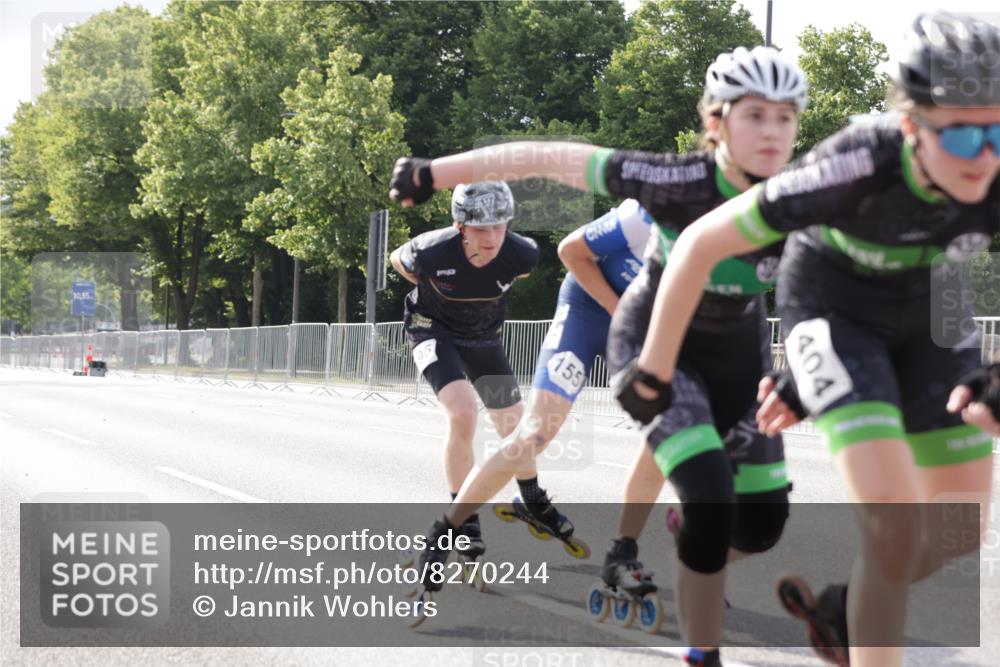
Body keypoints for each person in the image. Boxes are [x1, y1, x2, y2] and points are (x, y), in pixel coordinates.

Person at [390, 46, 808, 664]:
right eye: (754, 116)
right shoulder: (658, 200)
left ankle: (632, 547)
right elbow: (570, 242)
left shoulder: (799, 199)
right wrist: (436, 173)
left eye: (785, 118)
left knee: (726, 488)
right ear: (716, 124)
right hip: (597, 309)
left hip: (694, 329)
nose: (771, 133)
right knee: (536, 431)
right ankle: (447, 528)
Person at [616, 12, 1000, 667]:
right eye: (963, 136)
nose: (986, 155)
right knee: (893, 526)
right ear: (911, 126)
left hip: (932, 304)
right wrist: (652, 366)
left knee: (957, 530)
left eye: (998, 132)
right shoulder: (855, 164)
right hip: (833, 303)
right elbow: (701, 243)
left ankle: (846, 606)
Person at [389, 180, 538, 568]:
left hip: (482, 335)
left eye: (499, 227)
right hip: (432, 329)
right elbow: (397, 260)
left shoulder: (522, 254)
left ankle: (531, 497)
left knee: (515, 424)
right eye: (480, 229)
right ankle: (465, 518)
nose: (491, 239)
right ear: (460, 227)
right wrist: (431, 288)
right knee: (463, 413)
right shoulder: (431, 249)